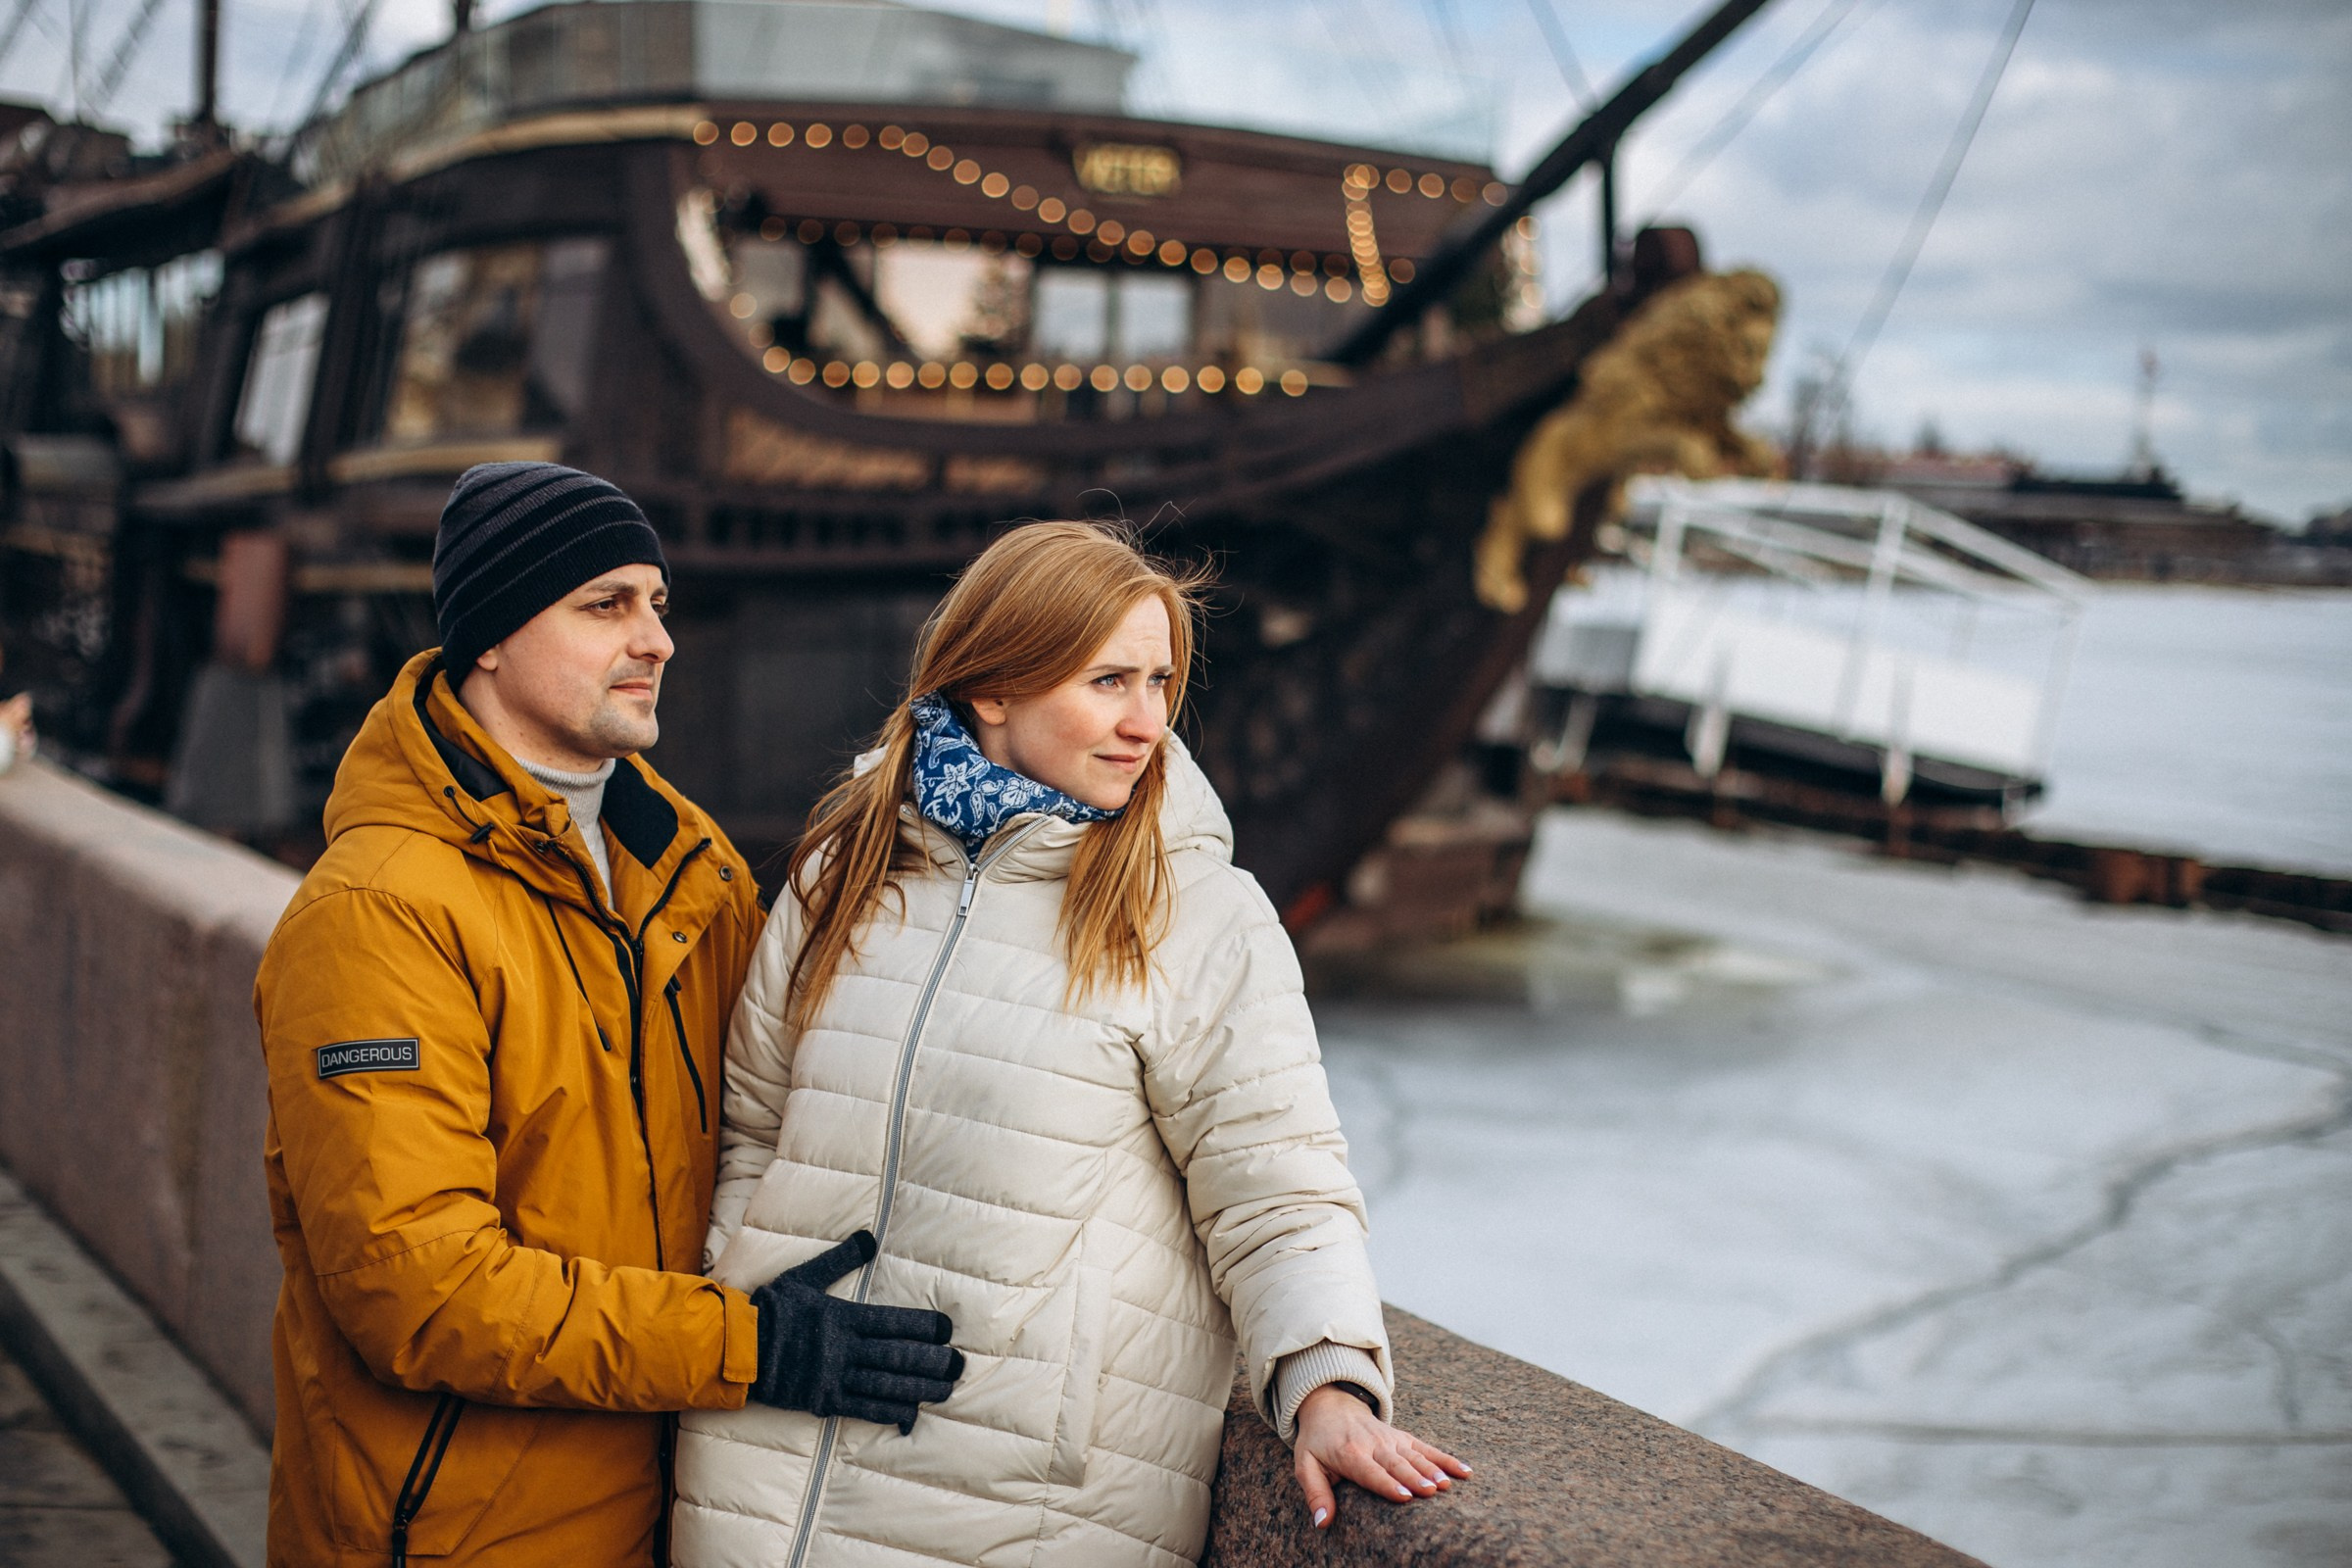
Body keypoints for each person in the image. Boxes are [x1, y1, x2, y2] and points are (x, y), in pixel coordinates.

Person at [673, 521, 1468, 1568]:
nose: (1145, 722)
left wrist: (1327, 1384)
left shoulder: (1198, 916)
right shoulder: (842, 874)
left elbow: (1276, 1185)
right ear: (992, 689)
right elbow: (753, 1128)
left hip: (1019, 1505)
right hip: (759, 1467)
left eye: (1159, 683)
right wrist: (750, 1308)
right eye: (1108, 682)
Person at [254, 463, 964, 1568]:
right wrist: (750, 1347)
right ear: (488, 635)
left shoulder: (694, 875)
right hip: (454, 1540)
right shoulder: (378, 911)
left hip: (663, 1512)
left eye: (659, 603)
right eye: (607, 604)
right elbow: (417, 1288)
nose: (658, 640)